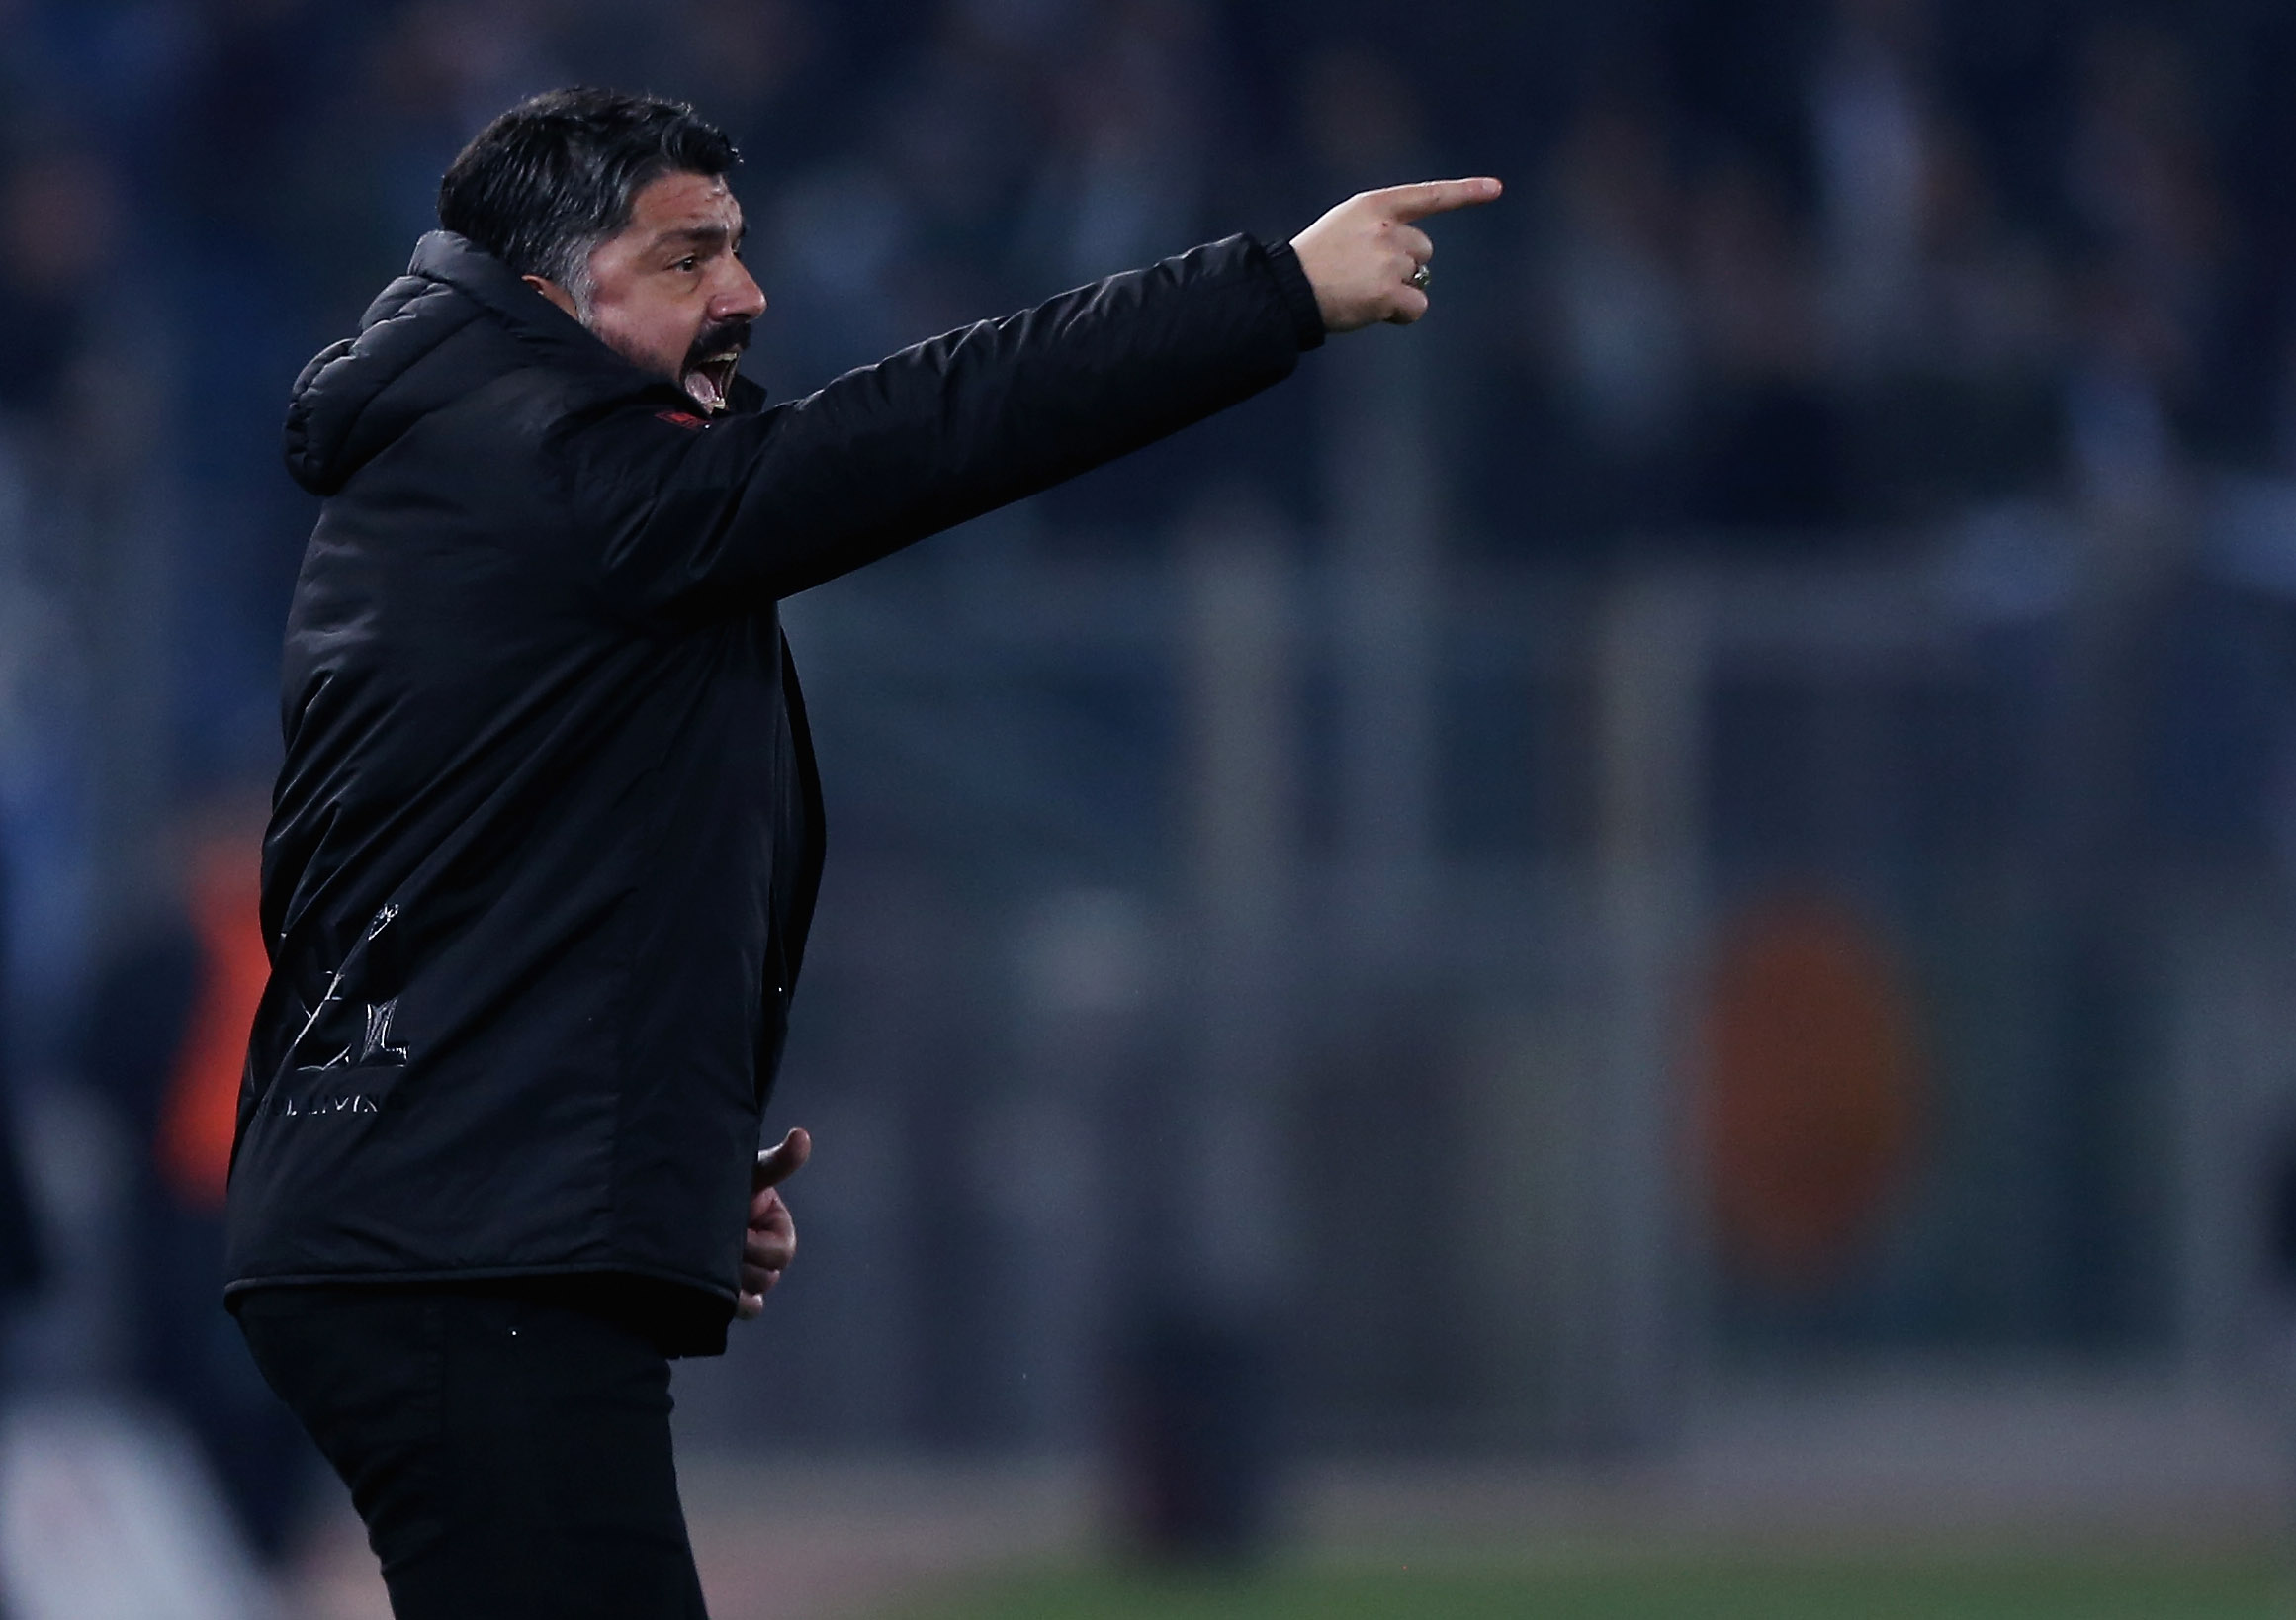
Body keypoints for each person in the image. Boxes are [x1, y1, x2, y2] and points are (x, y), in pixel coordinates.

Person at [224, 86, 1496, 1618]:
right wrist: (1270, 292)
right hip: (452, 1251)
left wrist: (649, 1155)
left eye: (737, 249)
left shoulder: (479, 463)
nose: (746, 295)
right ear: (558, 289)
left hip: (445, 1219)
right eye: (690, 258)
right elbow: (930, 429)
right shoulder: (547, 468)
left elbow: (446, 886)